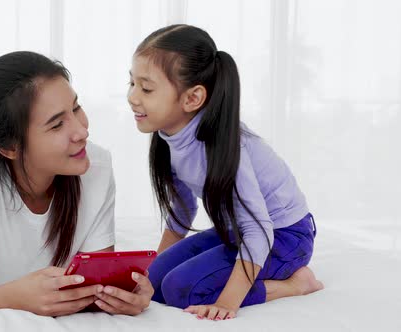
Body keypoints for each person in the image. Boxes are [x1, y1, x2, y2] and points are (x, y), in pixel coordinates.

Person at [0, 51, 153, 316]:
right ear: (9, 147)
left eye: (76, 108)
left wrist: (126, 295)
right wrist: (17, 298)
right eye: (56, 125)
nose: (82, 131)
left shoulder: (95, 165)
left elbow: (97, 282)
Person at [127, 24, 323, 320]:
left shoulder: (224, 147)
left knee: (183, 291)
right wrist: (152, 271)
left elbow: (258, 229)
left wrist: (228, 302)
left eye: (146, 88)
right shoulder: (171, 136)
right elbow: (182, 207)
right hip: (237, 231)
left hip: (283, 236)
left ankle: (295, 285)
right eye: (131, 83)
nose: (132, 96)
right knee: (157, 284)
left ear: (192, 98)